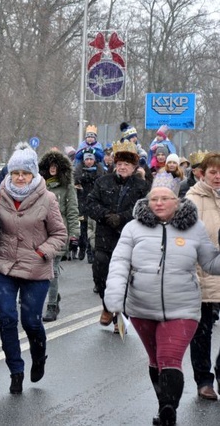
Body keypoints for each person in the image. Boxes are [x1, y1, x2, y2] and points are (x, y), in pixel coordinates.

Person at [104, 176, 220, 426]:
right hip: (141, 307)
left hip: (183, 308)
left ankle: (169, 409)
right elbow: (120, 262)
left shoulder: (194, 227)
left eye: (165, 198)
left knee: (170, 358)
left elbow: (211, 264)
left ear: (177, 201)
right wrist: (114, 294)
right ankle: (163, 405)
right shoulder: (133, 228)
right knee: (156, 360)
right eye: (154, 198)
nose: (158, 203)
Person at [0, 143, 67, 394]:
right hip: (4, 267)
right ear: (9, 174)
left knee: (31, 321)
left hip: (36, 269)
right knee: (7, 319)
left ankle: (39, 356)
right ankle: (16, 370)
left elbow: (59, 234)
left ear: (34, 174)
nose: (20, 177)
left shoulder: (48, 198)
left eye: (25, 173)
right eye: (15, 173)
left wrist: (42, 251)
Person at [86, 141, 151, 330]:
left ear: (133, 167)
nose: (122, 167)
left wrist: (122, 217)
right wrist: (106, 216)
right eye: (120, 164)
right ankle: (107, 306)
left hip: (129, 237)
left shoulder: (142, 186)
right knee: (100, 274)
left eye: (127, 165)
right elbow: (90, 204)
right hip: (105, 236)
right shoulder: (102, 182)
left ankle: (119, 316)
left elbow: (145, 207)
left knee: (126, 276)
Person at [186, 152, 220, 401]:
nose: (218, 177)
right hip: (204, 274)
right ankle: (204, 380)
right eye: (213, 172)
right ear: (202, 174)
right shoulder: (191, 200)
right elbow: (185, 241)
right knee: (202, 332)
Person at [38, 150, 79, 322]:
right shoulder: (39, 185)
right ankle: (50, 297)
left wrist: (74, 235)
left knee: (52, 271)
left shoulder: (67, 187)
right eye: (50, 166)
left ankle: (52, 305)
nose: (52, 169)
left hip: (58, 232)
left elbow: (72, 211)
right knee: (40, 270)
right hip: (39, 232)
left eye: (56, 166)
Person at [73, 148, 104, 263]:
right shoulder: (78, 169)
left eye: (91, 159)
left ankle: (91, 251)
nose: (89, 161)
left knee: (92, 228)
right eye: (87, 159)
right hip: (82, 203)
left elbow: (99, 181)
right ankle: (82, 247)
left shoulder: (99, 169)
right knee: (82, 227)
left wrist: (87, 179)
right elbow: (76, 180)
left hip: (94, 204)